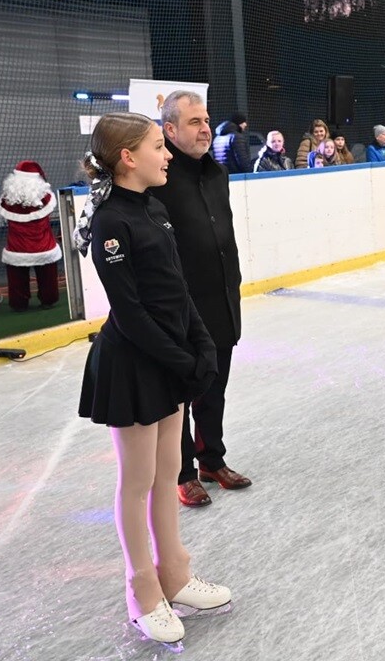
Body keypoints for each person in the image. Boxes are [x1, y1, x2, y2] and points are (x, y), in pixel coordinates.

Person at [73, 112, 231, 645]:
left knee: (169, 472)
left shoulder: (154, 208)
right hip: (135, 364)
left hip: (168, 358)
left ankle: (175, 573)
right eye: (158, 147)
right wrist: (181, 360)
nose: (168, 156)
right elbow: (132, 311)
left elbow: (176, 288)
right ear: (127, 158)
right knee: (137, 480)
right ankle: (142, 589)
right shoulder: (112, 223)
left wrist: (201, 342)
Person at [154, 91, 252, 509]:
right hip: (182, 308)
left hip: (222, 298)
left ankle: (212, 458)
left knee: (215, 387)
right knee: (180, 395)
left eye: (206, 120)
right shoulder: (158, 180)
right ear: (170, 130)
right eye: (194, 122)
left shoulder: (217, 174)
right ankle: (182, 472)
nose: (205, 128)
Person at [0, 160, 61, 311]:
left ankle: (19, 304)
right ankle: (48, 300)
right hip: (43, 245)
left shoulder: (7, 199)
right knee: (47, 275)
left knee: (16, 277)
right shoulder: (45, 198)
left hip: (17, 246)